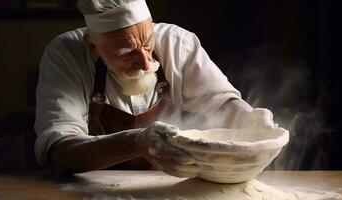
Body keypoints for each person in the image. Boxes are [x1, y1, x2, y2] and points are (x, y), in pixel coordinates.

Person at [34, 0, 276, 177]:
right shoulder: (66, 54)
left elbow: (221, 104)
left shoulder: (177, 43)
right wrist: (136, 142)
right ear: (93, 46)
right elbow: (59, 153)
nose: (146, 62)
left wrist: (249, 118)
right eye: (127, 52)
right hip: (90, 187)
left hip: (168, 185)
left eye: (148, 43)